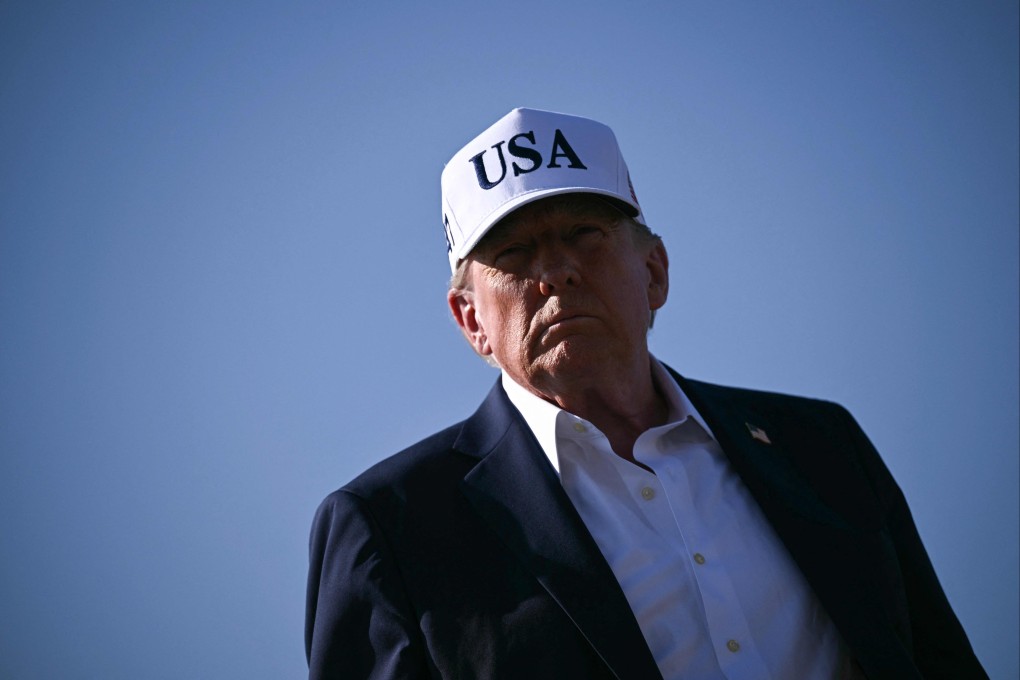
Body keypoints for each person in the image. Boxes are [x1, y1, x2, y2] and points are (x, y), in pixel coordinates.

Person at [305, 108, 986, 679]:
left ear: (654, 271)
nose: (556, 272)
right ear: (471, 320)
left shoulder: (821, 447)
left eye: (584, 234)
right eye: (512, 254)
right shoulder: (392, 528)